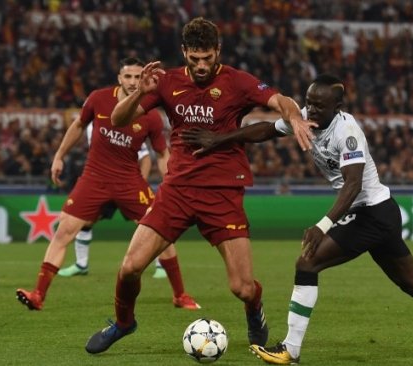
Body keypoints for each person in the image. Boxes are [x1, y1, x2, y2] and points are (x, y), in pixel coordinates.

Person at [182, 74, 413, 363]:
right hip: (379, 213)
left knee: (307, 262)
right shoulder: (306, 117)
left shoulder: (347, 132)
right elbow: (266, 129)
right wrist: (219, 140)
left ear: (338, 106)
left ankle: (290, 350)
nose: (311, 111)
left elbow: (353, 184)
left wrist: (323, 225)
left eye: (319, 106)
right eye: (308, 103)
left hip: (372, 212)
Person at [84, 17, 314, 354]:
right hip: (177, 190)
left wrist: (293, 116)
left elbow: (281, 100)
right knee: (130, 267)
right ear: (184, 53)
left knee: (242, 287)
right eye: (195, 59)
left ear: (218, 51)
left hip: (222, 192)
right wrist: (140, 94)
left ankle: (254, 310)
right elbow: (117, 119)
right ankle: (123, 322)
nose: (202, 65)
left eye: (208, 58)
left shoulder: (237, 81)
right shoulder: (166, 82)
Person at [15, 57, 200, 311]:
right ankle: (38, 294)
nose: (133, 82)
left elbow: (161, 154)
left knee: (162, 234)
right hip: (94, 178)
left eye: (138, 77)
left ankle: (180, 294)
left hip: (130, 181)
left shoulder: (150, 115)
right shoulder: (98, 99)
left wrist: (172, 177)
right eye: (128, 77)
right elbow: (78, 125)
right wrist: (59, 156)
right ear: (119, 78)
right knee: (63, 232)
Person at [59, 134, 167, 279]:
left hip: (126, 185)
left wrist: (138, 184)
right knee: (86, 221)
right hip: (103, 184)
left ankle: (161, 265)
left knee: (148, 223)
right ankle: (81, 264)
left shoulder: (124, 127)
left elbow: (145, 159)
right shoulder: (94, 125)